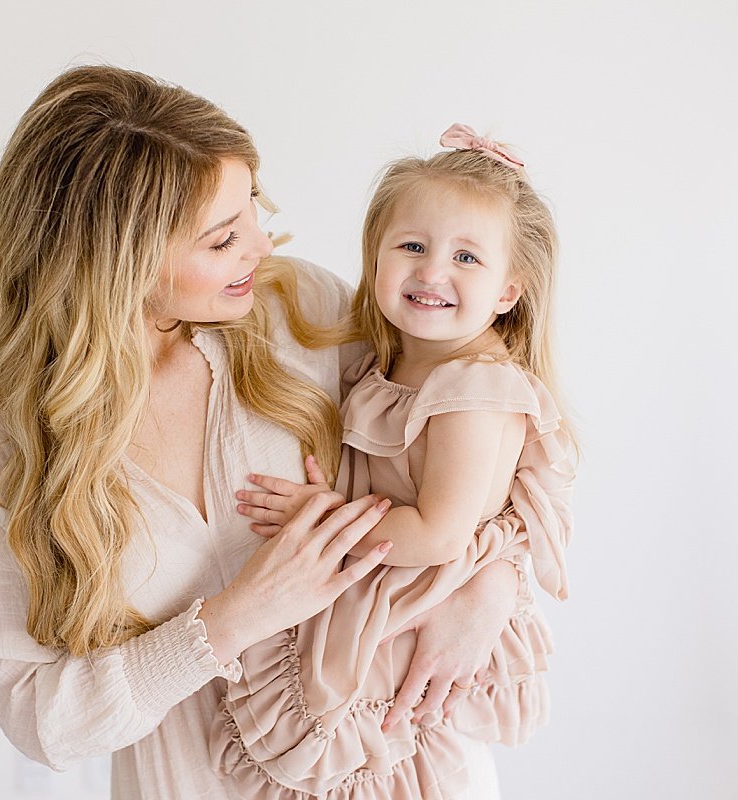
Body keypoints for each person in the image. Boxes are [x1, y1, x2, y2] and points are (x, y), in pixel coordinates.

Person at [0, 66, 523, 799]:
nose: (260, 243)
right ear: (117, 266)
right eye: (221, 241)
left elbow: (492, 423)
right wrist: (238, 617)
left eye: (252, 206)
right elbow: (41, 720)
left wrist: (495, 582)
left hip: (394, 765)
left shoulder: (298, 308)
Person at [210, 125, 578, 798]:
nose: (433, 272)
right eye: (412, 246)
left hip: (419, 594)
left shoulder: (473, 389)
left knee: (398, 758)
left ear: (508, 292)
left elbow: (439, 532)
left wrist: (323, 522)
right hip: (388, 586)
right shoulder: (399, 357)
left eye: (467, 257)